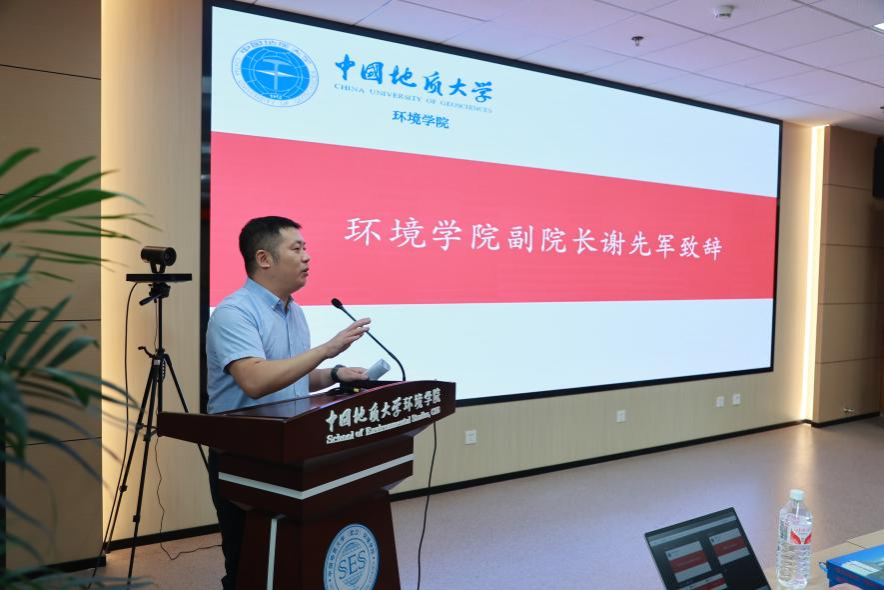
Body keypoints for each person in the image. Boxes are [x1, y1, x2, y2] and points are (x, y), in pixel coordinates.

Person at [205, 215, 370, 589]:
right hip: (245, 455)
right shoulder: (235, 313)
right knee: (249, 563)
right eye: (297, 249)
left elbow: (290, 376)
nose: (307, 257)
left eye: (306, 248)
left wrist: (335, 373)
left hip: (290, 449)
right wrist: (327, 349)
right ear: (264, 259)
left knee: (293, 558)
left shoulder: (293, 310)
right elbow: (256, 380)